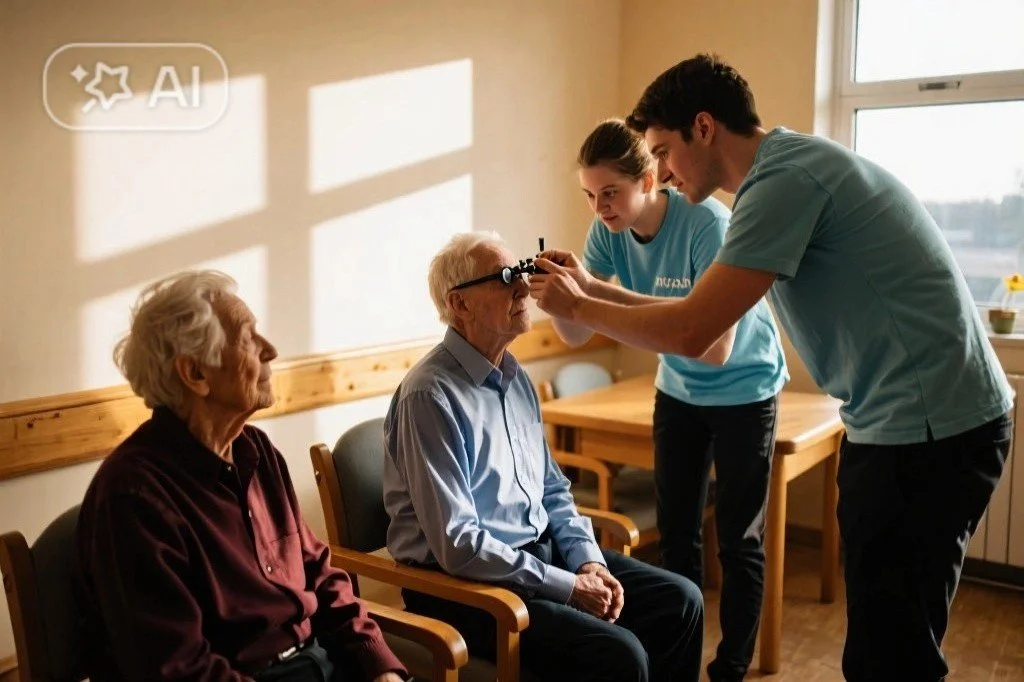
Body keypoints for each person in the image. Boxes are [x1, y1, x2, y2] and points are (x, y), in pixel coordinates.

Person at [528, 52, 1014, 682]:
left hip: (927, 428)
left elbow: (695, 331)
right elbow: (690, 309)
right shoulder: (786, 170)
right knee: (885, 645)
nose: (664, 173)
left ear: (704, 127)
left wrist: (581, 302)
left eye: (664, 150)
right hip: (908, 422)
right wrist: (588, 296)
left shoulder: (781, 185)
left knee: (891, 655)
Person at [381, 231, 704, 682]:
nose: (524, 288)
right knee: (620, 655)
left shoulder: (515, 378)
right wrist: (570, 587)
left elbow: (553, 490)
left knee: (681, 601)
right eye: (506, 277)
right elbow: (459, 545)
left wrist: (588, 560)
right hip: (464, 589)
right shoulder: (429, 397)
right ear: (460, 305)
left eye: (524, 271)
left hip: (532, 559)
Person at [74, 270, 409, 682]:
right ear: (195, 373)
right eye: (249, 338)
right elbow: (178, 670)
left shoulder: (256, 450)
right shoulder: (132, 499)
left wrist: (378, 665)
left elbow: (318, 572)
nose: (270, 350)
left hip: (319, 661)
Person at [546, 117, 789, 681]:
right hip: (677, 392)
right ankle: (677, 662)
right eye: (589, 195)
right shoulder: (606, 232)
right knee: (676, 537)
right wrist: (560, 296)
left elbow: (711, 348)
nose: (600, 207)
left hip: (744, 389)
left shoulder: (706, 222)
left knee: (738, 539)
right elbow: (578, 335)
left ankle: (729, 668)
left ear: (649, 178)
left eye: (611, 192)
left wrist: (594, 297)